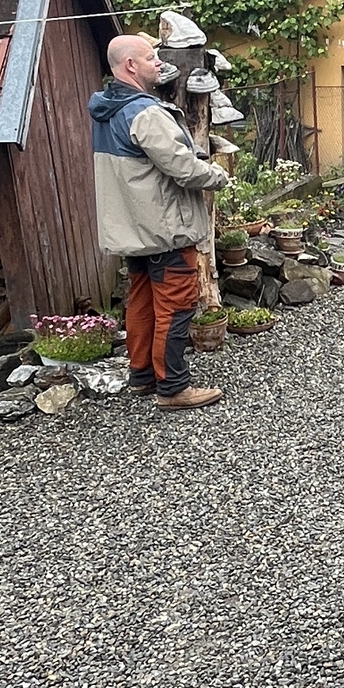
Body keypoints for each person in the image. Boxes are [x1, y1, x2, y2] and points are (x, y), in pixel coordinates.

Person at [88, 34, 231, 411]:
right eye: (151, 58)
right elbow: (183, 168)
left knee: (142, 303)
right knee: (176, 307)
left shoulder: (106, 110)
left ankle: (142, 376)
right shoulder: (145, 113)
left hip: (134, 230)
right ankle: (173, 388)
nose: (158, 63)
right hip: (165, 229)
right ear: (130, 66)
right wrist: (218, 175)